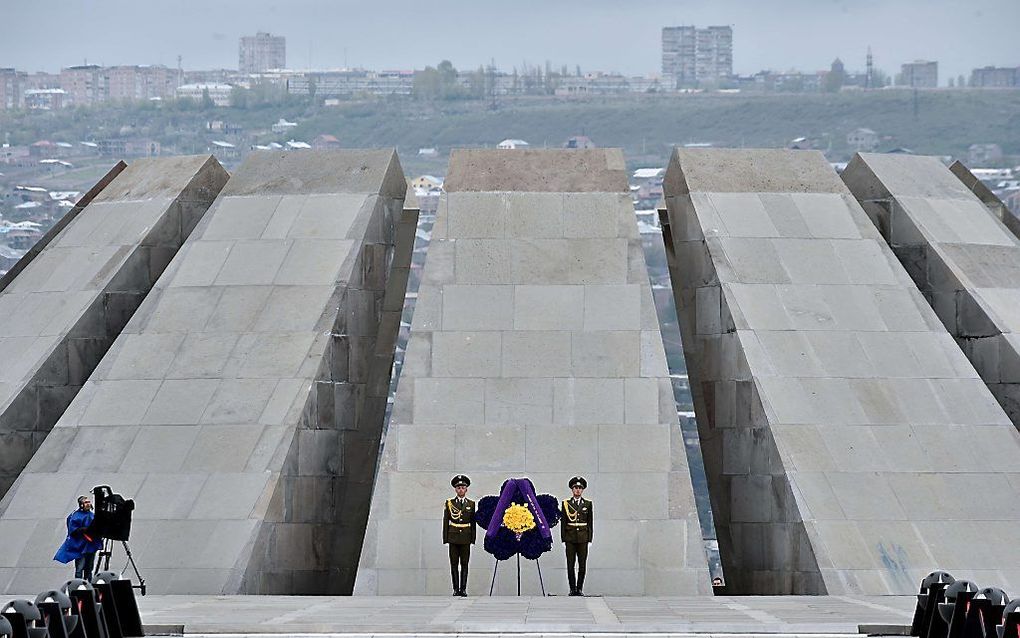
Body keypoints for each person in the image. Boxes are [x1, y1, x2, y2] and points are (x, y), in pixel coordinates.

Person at [54, 495, 103, 581]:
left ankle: (89, 584)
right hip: (80, 546)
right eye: (86, 502)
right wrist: (83, 530)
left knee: (89, 568)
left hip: (90, 546)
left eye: (88, 502)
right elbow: (73, 530)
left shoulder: (92, 515)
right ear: (81, 505)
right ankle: (78, 584)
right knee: (79, 568)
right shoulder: (75, 516)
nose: (88, 504)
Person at [443, 474, 476, 597]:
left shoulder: (471, 504)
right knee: (453, 564)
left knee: (465, 564)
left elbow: (473, 522)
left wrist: (473, 538)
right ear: (455, 490)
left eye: (463, 487)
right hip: (453, 537)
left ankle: (463, 589)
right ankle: (455, 589)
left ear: (466, 489)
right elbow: (446, 521)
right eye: (458, 488)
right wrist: (445, 538)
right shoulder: (449, 503)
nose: (461, 490)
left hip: (466, 537)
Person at [561, 476, 593, 596]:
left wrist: (589, 538)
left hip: (583, 537)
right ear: (572, 489)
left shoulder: (588, 504)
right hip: (570, 537)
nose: (578, 490)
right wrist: (563, 537)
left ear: (583, 490)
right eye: (575, 488)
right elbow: (563, 522)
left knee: (582, 565)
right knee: (570, 565)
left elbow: (590, 522)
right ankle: (572, 589)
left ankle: (579, 589)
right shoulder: (566, 504)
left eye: (580, 488)